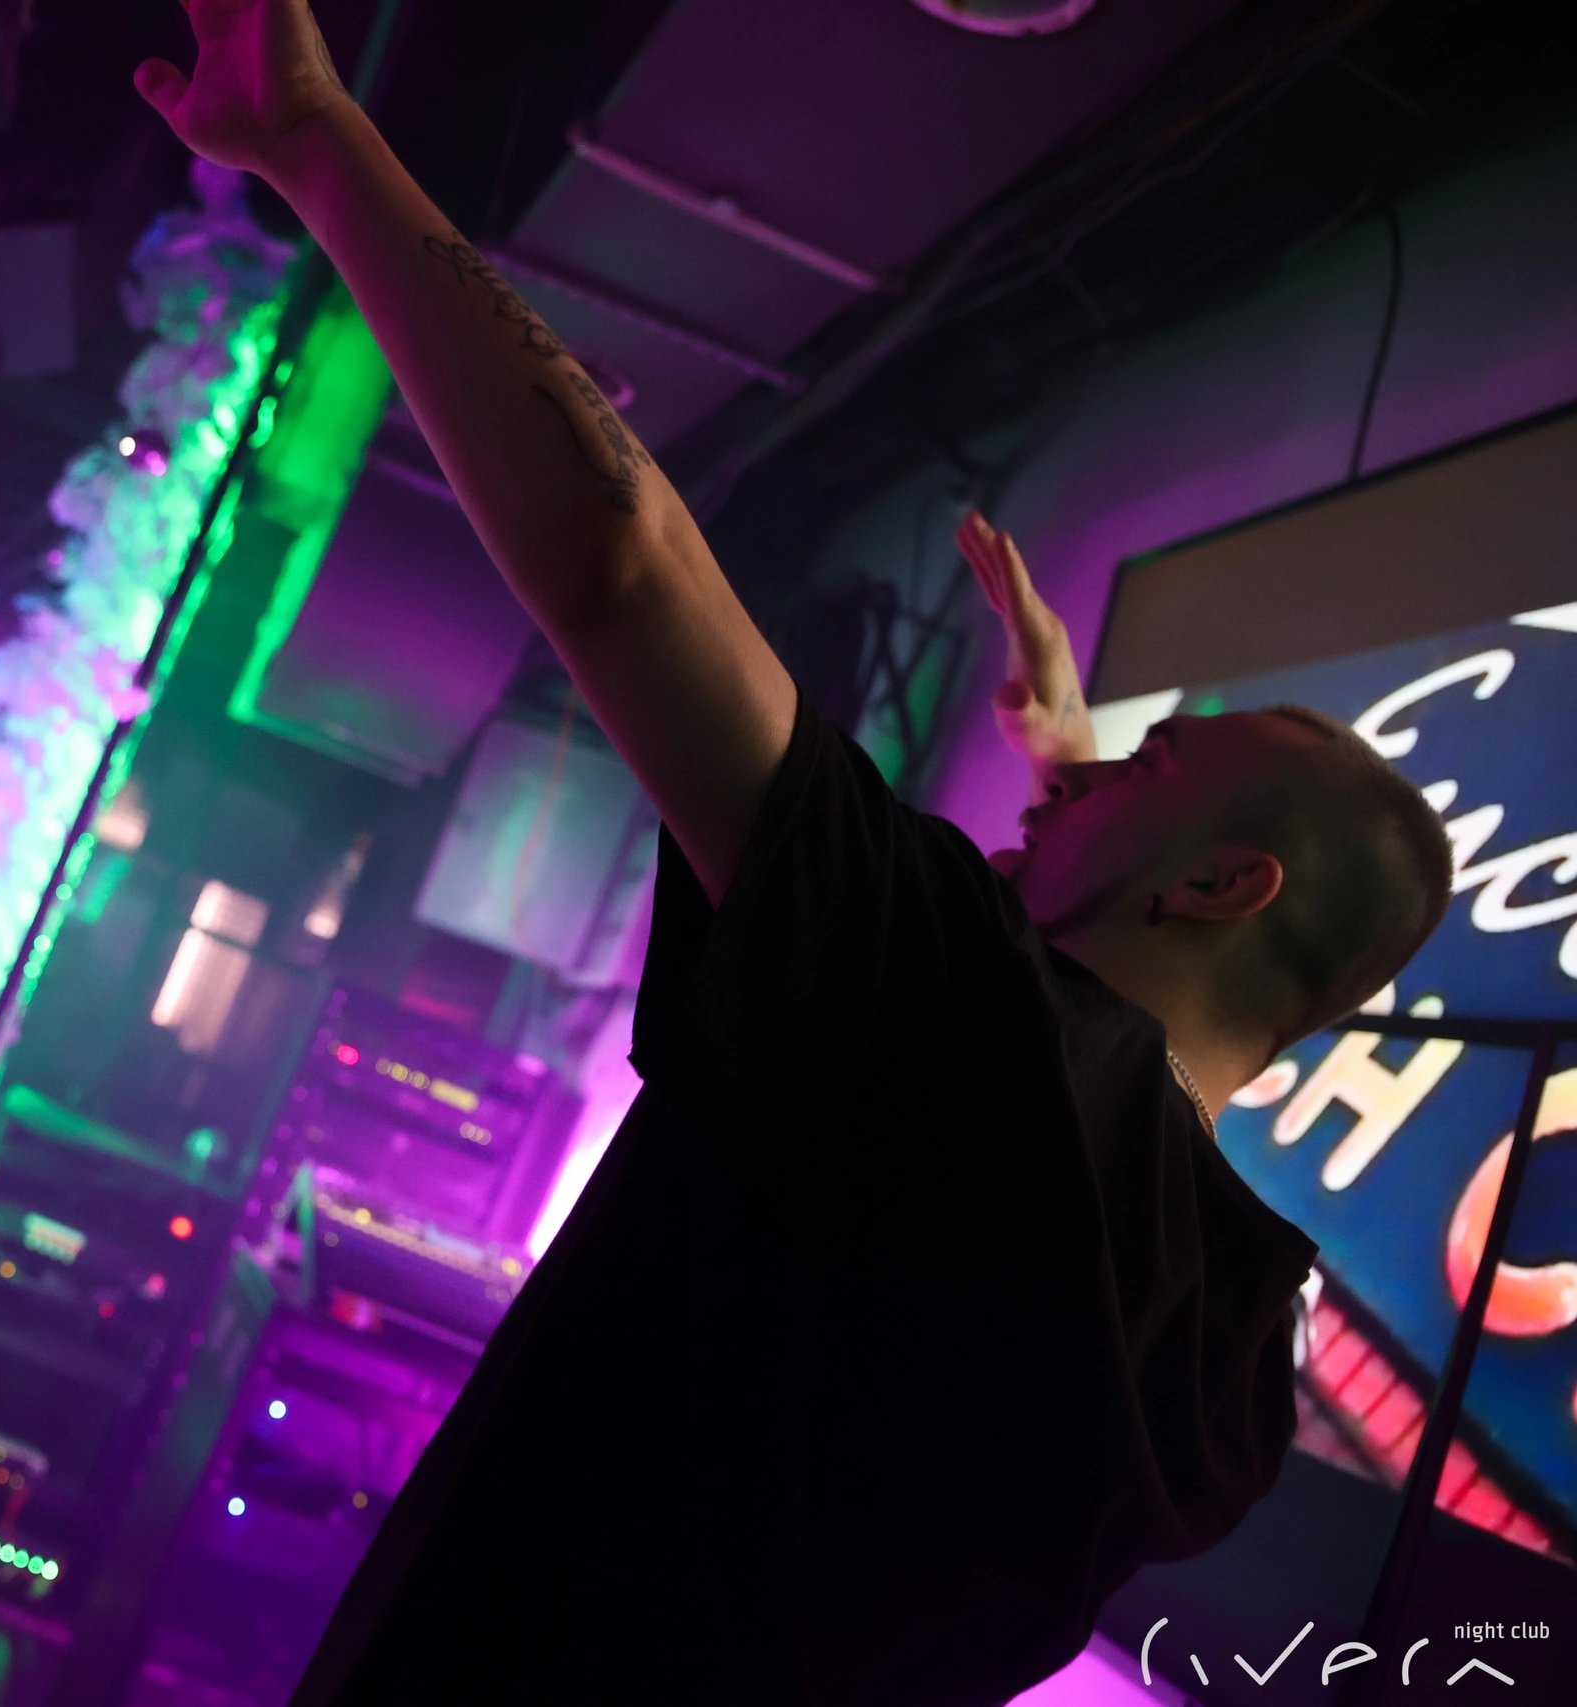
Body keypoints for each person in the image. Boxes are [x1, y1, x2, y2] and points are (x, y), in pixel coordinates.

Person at [131, 6, 1455, 1702]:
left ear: (1217, 885)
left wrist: (318, 143)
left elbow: (621, 558)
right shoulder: (1235, 1359)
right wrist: (1084, 784)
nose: (1085, 777)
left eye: (1157, 763)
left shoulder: (967, 1023)